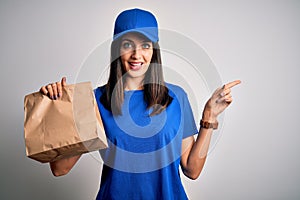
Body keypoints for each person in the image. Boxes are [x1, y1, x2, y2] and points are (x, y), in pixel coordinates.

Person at [40, 8, 241, 200]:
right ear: (117, 49)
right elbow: (60, 169)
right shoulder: (95, 101)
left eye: (145, 45)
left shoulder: (176, 97)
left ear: (154, 51)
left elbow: (192, 169)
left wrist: (209, 117)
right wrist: (57, 108)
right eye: (128, 45)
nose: (137, 54)